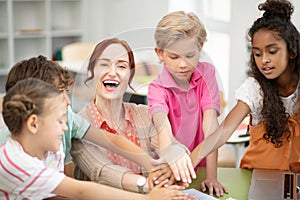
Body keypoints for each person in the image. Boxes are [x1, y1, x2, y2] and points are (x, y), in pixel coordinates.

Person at [0, 78, 191, 200]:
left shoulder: (43, 146)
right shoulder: (15, 162)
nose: (65, 128)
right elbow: (80, 190)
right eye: (59, 121)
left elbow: (53, 193)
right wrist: (149, 198)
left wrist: (153, 169)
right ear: (33, 124)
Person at [0, 55, 160, 173]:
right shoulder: (11, 149)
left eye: (66, 92)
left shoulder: (68, 117)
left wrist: (149, 163)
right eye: (59, 93)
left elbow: (111, 140)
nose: (68, 102)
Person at [70, 38, 191, 193]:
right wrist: (150, 185)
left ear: (130, 76)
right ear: (91, 71)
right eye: (104, 64)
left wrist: (177, 155)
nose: (112, 72)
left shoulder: (143, 114)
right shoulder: (80, 125)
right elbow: (101, 172)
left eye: (121, 66)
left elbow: (168, 145)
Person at [193, 0, 300, 171]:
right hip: (256, 174)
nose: (264, 60)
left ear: (292, 50)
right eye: (257, 53)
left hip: (292, 179)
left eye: (272, 51)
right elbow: (224, 131)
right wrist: (189, 162)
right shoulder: (255, 88)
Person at [147, 11, 228, 197]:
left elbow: (211, 127)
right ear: (160, 53)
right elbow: (162, 127)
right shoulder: (156, 89)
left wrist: (211, 176)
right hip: (169, 169)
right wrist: (171, 157)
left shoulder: (207, 74)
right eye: (174, 57)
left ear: (200, 48)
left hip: (200, 165)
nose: (183, 65)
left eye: (190, 56)